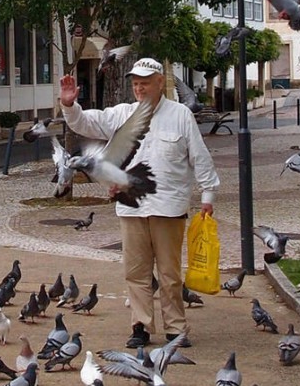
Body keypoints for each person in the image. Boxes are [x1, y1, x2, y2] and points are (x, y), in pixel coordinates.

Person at [59, 57, 220, 348]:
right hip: (131, 207)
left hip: (169, 206)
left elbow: (199, 156)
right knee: (136, 272)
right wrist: (70, 105)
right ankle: (140, 327)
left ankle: (175, 329)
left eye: (145, 83)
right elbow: (85, 122)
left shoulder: (181, 114)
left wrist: (208, 195)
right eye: (135, 83)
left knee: (169, 274)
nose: (139, 88)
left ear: (160, 83)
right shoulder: (122, 114)